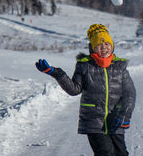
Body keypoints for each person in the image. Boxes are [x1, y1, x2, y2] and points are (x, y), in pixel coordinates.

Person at [35, 24, 136, 156]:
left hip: (115, 119)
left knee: (121, 153)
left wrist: (123, 115)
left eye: (107, 44)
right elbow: (74, 90)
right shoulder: (85, 66)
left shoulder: (120, 67)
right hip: (94, 121)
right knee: (105, 153)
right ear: (93, 49)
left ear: (112, 46)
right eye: (99, 46)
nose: (104, 48)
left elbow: (129, 94)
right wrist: (58, 74)